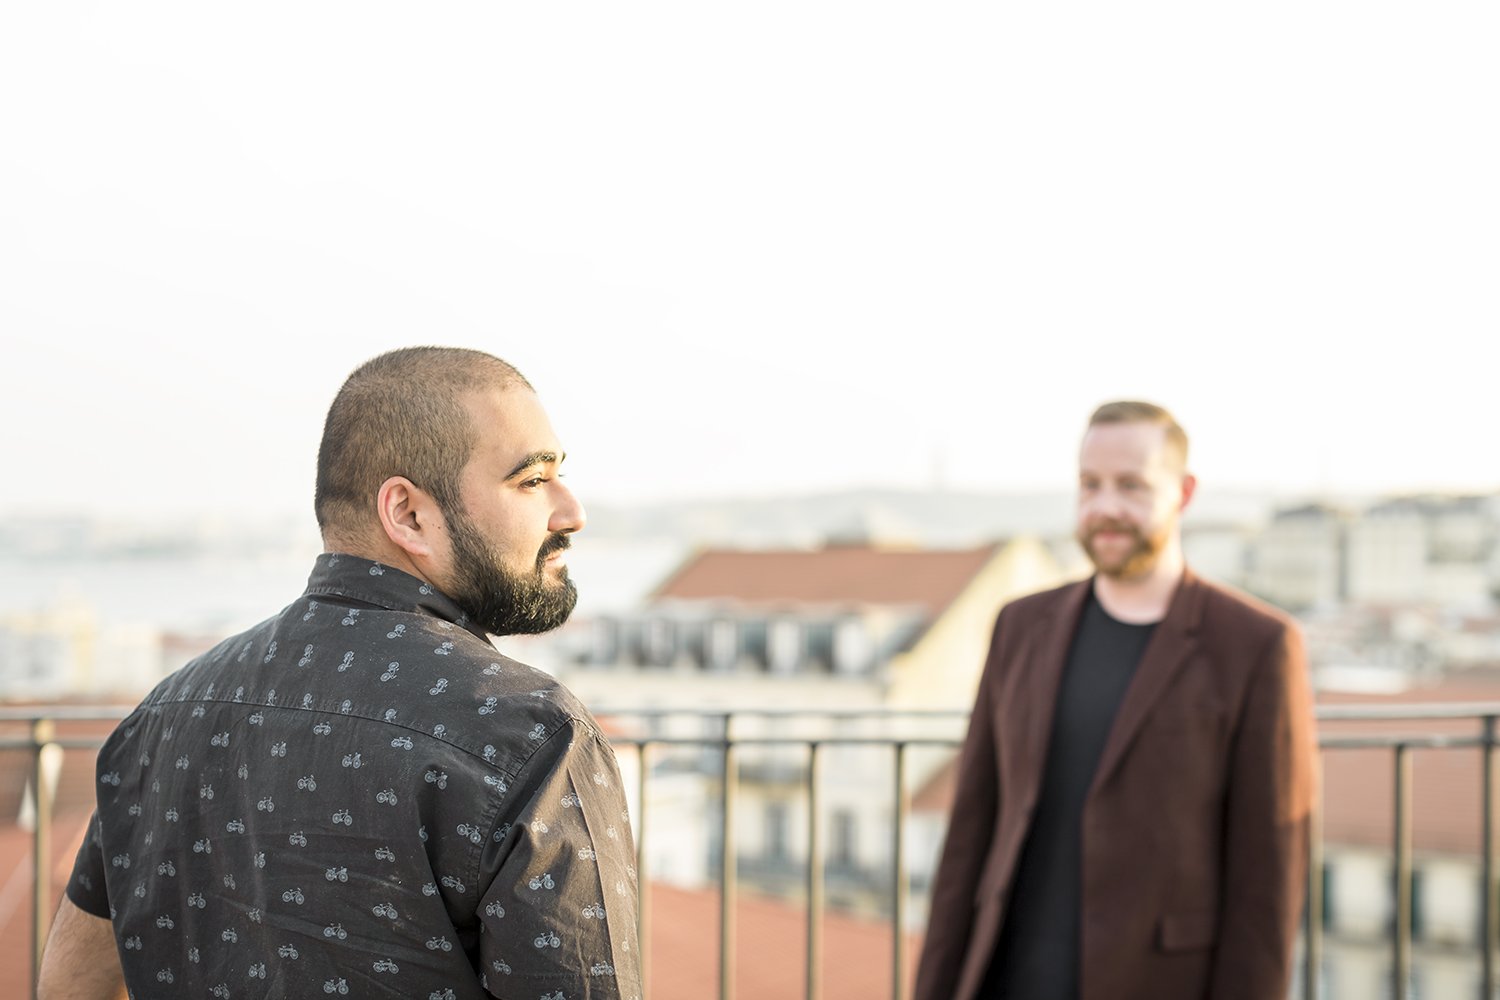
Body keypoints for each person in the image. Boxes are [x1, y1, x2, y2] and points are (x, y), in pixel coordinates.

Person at [39, 347, 642, 1000]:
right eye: (532, 480)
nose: (571, 509)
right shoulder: (532, 737)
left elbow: (69, 983)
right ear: (409, 515)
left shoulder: (160, 717)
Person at [914, 401, 1316, 1000]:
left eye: (1131, 485)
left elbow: (1267, 885)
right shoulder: (1022, 625)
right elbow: (970, 832)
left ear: (1183, 492)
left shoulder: (1256, 646)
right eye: (1090, 485)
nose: (1105, 507)